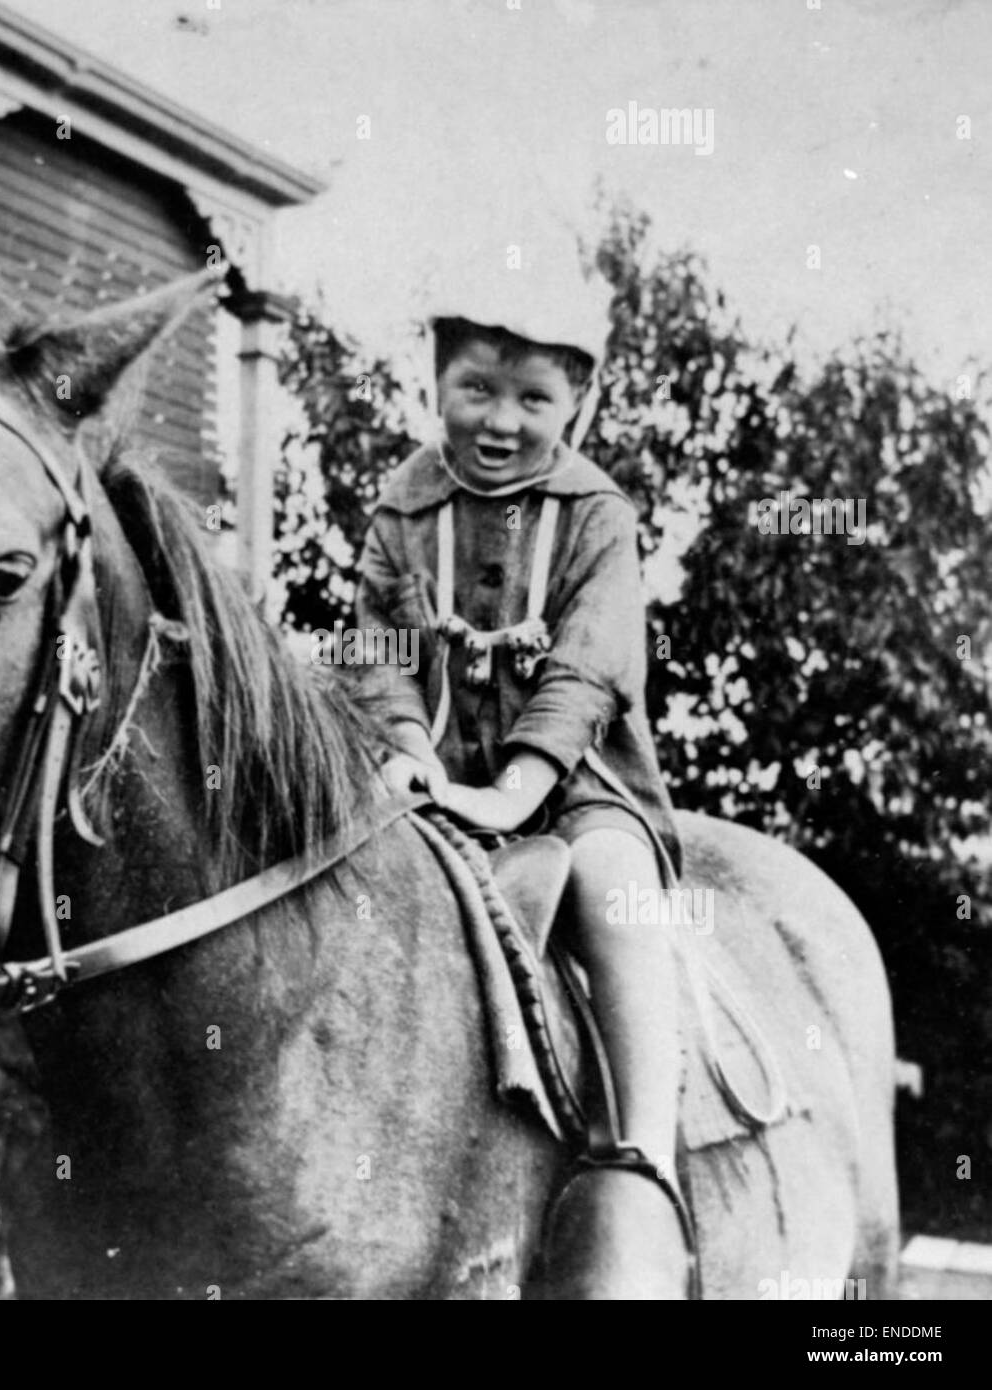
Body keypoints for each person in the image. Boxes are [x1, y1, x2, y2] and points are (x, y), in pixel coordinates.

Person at [355, 264, 692, 1295]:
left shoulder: (596, 516)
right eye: (475, 388)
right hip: (434, 778)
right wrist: (407, 744)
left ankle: (640, 1165)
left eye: (533, 398)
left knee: (609, 888)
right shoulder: (401, 509)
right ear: (435, 380)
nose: (499, 421)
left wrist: (515, 791)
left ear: (577, 401)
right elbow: (377, 646)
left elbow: (591, 662)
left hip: (577, 779)